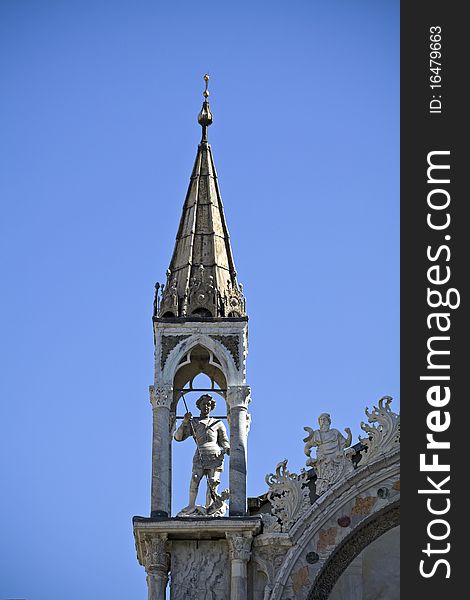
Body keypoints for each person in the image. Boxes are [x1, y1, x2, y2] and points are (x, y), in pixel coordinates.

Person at [174, 394, 230, 513]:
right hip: (200, 453)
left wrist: (228, 449)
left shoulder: (218, 423)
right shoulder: (194, 422)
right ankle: (191, 505)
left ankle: (209, 507)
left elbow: (224, 441)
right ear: (199, 406)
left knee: (212, 482)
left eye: (208, 405)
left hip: (216, 455)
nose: (206, 407)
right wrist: (184, 422)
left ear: (212, 407)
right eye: (204, 404)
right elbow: (178, 437)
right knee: (195, 478)